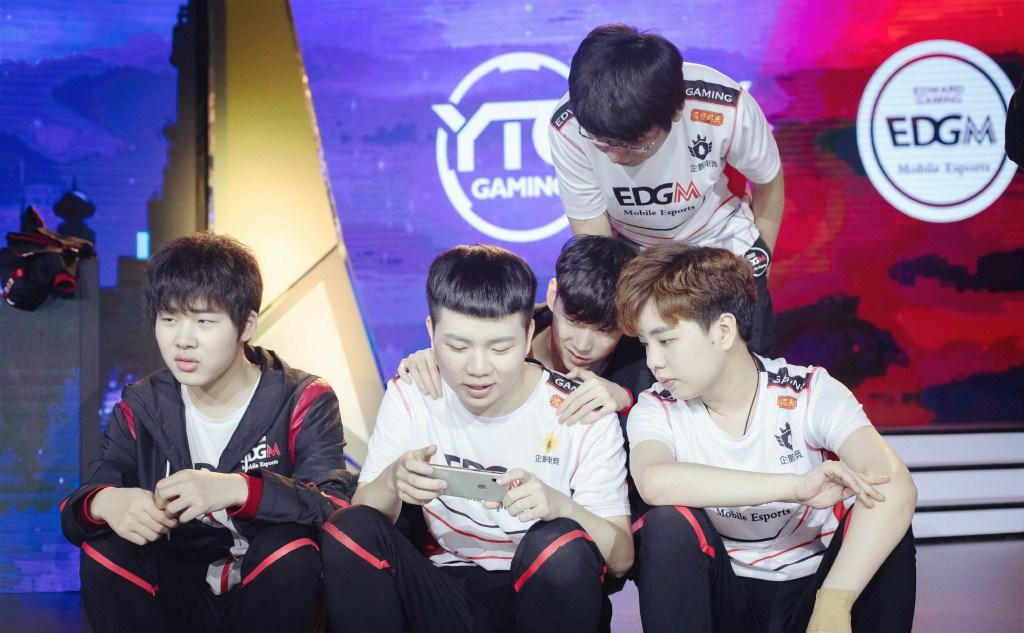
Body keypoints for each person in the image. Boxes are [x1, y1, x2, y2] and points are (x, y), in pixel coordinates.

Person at [320, 244, 632, 633]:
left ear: (529, 334)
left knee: (560, 545)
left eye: (500, 348)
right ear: (431, 332)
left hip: (540, 589)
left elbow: (622, 558)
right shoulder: (415, 391)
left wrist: (559, 506)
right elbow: (365, 520)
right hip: (444, 587)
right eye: (457, 346)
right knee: (347, 528)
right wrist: (394, 481)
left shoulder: (580, 410)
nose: (478, 368)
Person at [60, 233, 355, 633]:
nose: (183, 340)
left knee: (289, 548)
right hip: (179, 593)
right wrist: (105, 502)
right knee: (105, 546)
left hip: (267, 590)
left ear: (246, 324)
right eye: (169, 319)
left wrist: (239, 489)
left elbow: (334, 507)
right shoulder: (142, 404)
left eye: (204, 321)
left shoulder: (301, 398)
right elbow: (76, 508)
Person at [616, 243, 917, 633]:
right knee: (666, 525)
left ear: (723, 331)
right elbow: (655, 482)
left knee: (887, 522)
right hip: (723, 596)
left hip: (812, 587)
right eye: (646, 344)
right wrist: (795, 486)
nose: (653, 361)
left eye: (667, 341)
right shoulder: (656, 406)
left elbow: (895, 485)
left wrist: (833, 603)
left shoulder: (809, 391)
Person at [549, 23, 784, 354]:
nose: (615, 156)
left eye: (634, 145)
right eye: (603, 143)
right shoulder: (570, 126)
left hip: (723, 248)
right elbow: (594, 235)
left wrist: (760, 260)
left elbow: (767, 180)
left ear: (676, 111)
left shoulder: (724, 107)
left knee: (741, 372)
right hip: (634, 265)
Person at [398, 235, 650, 426]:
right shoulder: (506, 323)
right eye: (574, 321)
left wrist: (628, 401)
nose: (583, 345)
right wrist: (430, 361)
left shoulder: (648, 363)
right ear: (552, 294)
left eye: (604, 330)